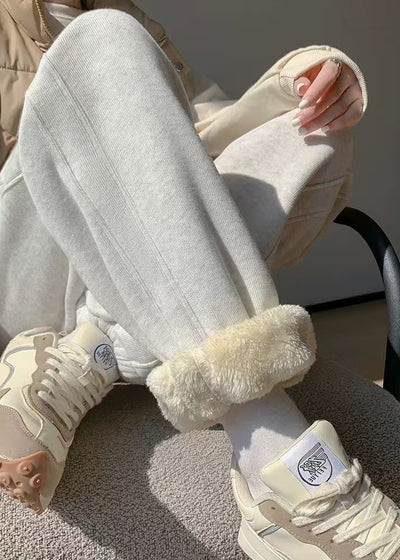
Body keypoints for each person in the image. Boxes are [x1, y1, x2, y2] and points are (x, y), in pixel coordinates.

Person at [2, 2, 399, 559]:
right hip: (25, 266)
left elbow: (196, 144)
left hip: (131, 270)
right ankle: (274, 460)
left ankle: (93, 351)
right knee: (101, 42)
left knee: (314, 136)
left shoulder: (128, 14)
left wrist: (296, 84)